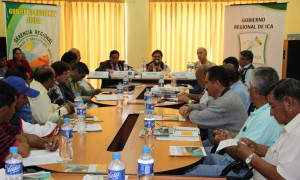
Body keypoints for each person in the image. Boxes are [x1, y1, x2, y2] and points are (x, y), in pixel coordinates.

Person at [184, 66, 282, 177]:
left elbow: (244, 153)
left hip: (235, 168)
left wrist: (224, 142)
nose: (248, 89)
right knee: (185, 153)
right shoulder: (259, 111)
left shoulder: (267, 118)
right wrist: (230, 135)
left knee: (184, 172)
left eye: (249, 86)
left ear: (254, 90)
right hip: (228, 159)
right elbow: (246, 139)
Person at [236, 78, 300, 179]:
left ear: (288, 103)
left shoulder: (297, 133)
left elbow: (281, 177)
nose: (271, 112)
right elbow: (278, 155)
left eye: (272, 106)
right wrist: (256, 148)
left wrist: (250, 156)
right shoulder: (290, 125)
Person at [179, 66, 248, 145]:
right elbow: (203, 106)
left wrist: (188, 113)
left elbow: (197, 118)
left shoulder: (225, 101)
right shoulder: (221, 95)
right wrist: (188, 107)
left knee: (187, 150)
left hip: (226, 149)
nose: (205, 87)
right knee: (183, 144)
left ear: (216, 84)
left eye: (207, 83)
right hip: (215, 143)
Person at [0, 81, 59, 167]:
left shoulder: (3, 123)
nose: (13, 111)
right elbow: (23, 150)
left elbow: (25, 135)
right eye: (13, 107)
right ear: (4, 110)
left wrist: (46, 143)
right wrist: (23, 140)